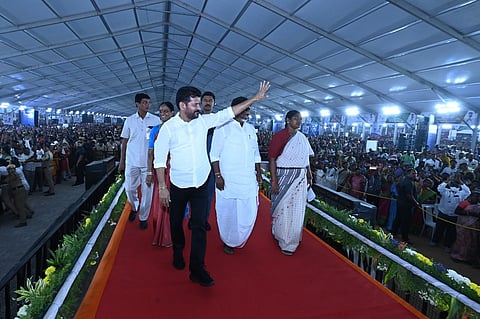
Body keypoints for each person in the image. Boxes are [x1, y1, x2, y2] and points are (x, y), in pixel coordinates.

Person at [154, 81, 270, 286]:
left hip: (200, 183)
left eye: (200, 104)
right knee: (175, 223)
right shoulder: (169, 129)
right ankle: (178, 251)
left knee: (199, 226)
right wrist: (162, 187)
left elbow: (227, 113)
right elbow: (160, 159)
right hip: (178, 185)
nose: (200, 108)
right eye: (195, 104)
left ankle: (197, 269)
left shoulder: (203, 122)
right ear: (182, 105)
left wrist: (254, 98)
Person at [210, 96, 263, 255]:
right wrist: (218, 176)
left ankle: (240, 238)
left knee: (249, 211)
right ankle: (228, 240)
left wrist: (259, 174)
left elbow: (256, 154)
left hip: (247, 179)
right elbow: (214, 155)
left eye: (248, 109)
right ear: (235, 109)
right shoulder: (222, 127)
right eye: (244, 108)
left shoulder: (250, 129)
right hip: (228, 179)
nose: (247, 112)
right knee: (228, 212)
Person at [268, 110, 314, 256]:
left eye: (300, 119)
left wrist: (309, 174)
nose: (298, 122)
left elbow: (306, 160)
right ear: (288, 120)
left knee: (297, 210)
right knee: (284, 207)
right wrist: (274, 181)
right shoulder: (280, 136)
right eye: (295, 119)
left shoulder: (302, 138)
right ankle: (281, 235)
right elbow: (272, 159)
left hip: (300, 177)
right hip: (284, 175)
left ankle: (291, 241)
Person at [119, 93, 161, 230]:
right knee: (130, 188)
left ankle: (143, 217)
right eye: (144, 102)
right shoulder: (129, 121)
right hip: (132, 161)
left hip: (149, 164)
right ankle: (134, 206)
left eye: (148, 102)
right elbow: (124, 142)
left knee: (148, 191)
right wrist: (122, 161)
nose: (147, 105)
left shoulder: (156, 121)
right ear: (137, 104)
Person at [147, 102, 175, 247]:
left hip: (175, 171)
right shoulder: (155, 130)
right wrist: (149, 172)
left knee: (174, 204)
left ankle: (170, 235)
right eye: (161, 111)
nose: (163, 113)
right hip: (161, 172)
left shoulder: (178, 129)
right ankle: (160, 234)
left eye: (166, 111)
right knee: (160, 203)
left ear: (172, 113)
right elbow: (150, 153)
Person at [431, 174, 471, 251]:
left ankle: (447, 245)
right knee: (439, 229)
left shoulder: (462, 193)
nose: (454, 184)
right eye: (453, 183)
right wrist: (447, 180)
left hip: (453, 215)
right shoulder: (445, 191)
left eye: (456, 183)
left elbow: (468, 191)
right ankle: (435, 241)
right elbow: (439, 188)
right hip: (443, 213)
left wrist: (460, 181)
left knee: (451, 231)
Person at [450, 189, 480, 267]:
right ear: (471, 196)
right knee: (462, 241)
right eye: (475, 196)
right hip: (463, 226)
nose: (477, 198)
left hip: (473, 227)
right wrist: (469, 213)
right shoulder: (465, 203)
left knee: (471, 242)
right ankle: (458, 256)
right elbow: (457, 211)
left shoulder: (478, 205)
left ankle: (467, 258)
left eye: (478, 197)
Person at [392, 168, 419, 244]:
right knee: (406, 222)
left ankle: (394, 232)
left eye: (416, 174)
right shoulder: (408, 182)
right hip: (406, 204)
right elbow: (409, 195)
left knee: (398, 218)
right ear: (408, 174)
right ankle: (405, 238)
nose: (415, 175)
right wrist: (415, 202)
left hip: (400, 202)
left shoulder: (404, 180)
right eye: (413, 173)